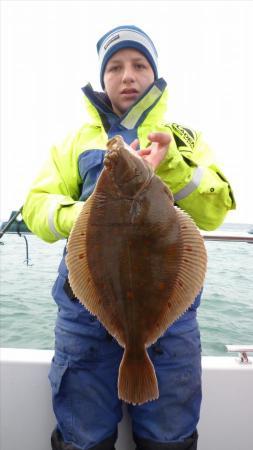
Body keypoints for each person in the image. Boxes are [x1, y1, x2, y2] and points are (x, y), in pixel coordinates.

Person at [22, 25, 235, 450]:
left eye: (139, 64)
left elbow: (214, 211)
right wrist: (85, 217)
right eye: (115, 67)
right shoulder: (74, 142)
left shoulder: (182, 139)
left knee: (169, 439)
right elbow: (35, 208)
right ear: (103, 78)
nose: (127, 75)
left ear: (154, 74)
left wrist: (170, 163)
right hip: (85, 318)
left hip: (168, 322)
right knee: (81, 438)